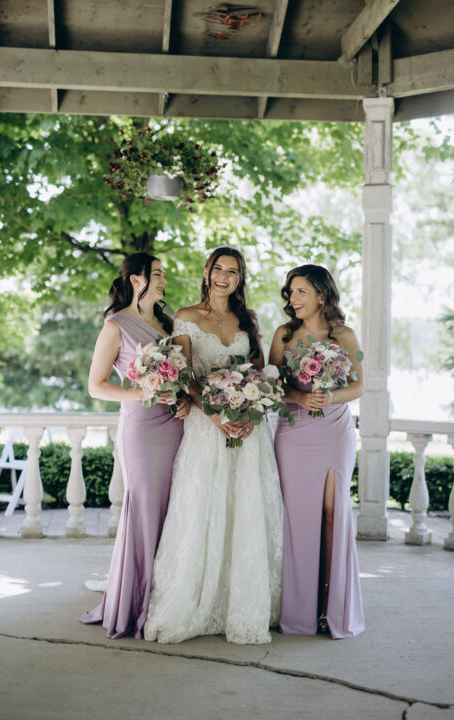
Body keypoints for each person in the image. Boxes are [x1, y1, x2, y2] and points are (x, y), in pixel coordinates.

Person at [143, 247, 283, 645]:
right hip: (207, 427)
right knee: (204, 507)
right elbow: (185, 376)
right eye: (218, 268)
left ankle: (242, 602)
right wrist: (216, 415)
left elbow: (260, 373)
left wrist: (251, 411)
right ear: (206, 271)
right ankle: (195, 601)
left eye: (232, 271)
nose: (224, 276)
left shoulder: (248, 319)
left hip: (248, 428)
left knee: (244, 507)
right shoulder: (186, 317)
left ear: (240, 278)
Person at [81, 252, 189, 639]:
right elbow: (96, 386)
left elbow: (183, 374)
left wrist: (183, 399)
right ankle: (134, 600)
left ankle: (167, 598)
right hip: (142, 428)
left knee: (174, 509)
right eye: (157, 274)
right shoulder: (116, 325)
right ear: (137, 280)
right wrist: (142, 392)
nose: (163, 280)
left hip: (175, 424)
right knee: (144, 509)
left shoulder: (168, 323)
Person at [269, 264, 365, 639]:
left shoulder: (345, 335)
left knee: (331, 512)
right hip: (294, 431)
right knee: (297, 518)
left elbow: (359, 385)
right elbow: (272, 384)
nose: (293, 299)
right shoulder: (284, 335)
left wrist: (330, 397)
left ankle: (330, 607)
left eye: (301, 292)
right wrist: (300, 397)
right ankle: (300, 611)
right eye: (291, 292)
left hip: (334, 429)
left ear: (321, 295)